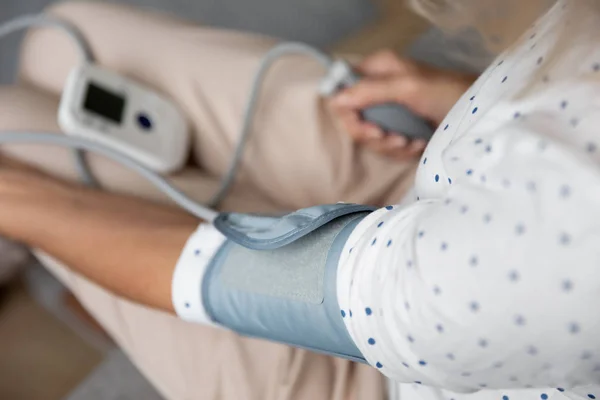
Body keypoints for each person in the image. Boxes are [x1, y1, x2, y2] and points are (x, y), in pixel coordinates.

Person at [1, 1, 599, 400]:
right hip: (438, 184)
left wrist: (17, 200)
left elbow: (209, 273)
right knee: (63, 40)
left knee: (12, 130)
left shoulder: (560, 255)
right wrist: (470, 103)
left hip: (389, 365)